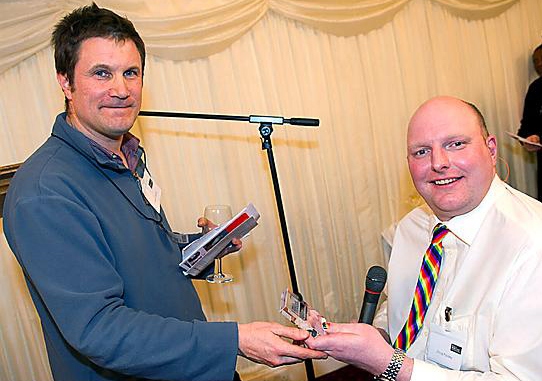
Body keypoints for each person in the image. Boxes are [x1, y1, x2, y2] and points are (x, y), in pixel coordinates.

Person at [1, 4, 326, 381]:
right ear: (65, 82)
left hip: (187, 365)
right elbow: (99, 330)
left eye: (131, 73)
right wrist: (234, 339)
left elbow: (132, 254)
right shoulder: (45, 193)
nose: (121, 89)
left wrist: (200, 246)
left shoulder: (127, 153)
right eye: (101, 73)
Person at [306, 96, 542, 380]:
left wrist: (391, 365)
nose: (439, 163)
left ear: (491, 149)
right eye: (421, 152)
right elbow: (404, 308)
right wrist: (368, 336)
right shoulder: (412, 227)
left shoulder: (531, 243)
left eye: (456, 144)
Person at [517, 43, 542, 201]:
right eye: (535, 61)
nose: (539, 64)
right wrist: (529, 139)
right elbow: (526, 128)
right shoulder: (536, 89)